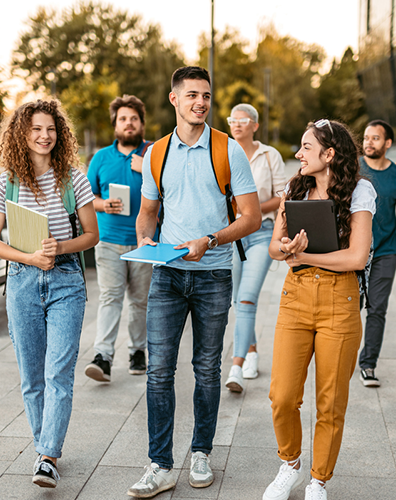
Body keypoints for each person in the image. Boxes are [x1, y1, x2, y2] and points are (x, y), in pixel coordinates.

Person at [126, 66, 260, 498]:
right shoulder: (156, 154)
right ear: (174, 100)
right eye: (192, 95)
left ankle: (201, 452)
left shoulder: (227, 150)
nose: (200, 102)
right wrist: (145, 238)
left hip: (214, 275)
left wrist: (211, 239)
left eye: (205, 95)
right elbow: (148, 211)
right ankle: (160, 465)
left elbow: (251, 218)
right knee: (159, 371)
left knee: (206, 369)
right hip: (166, 275)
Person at [0, 99, 99, 489]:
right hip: (22, 282)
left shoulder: (73, 179)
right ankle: (42, 449)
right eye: (36, 129)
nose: (44, 136)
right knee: (32, 377)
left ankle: (48, 456)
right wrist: (29, 257)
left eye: (50, 129)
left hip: (66, 280)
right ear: (21, 134)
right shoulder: (7, 183)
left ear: (60, 134)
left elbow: (91, 235)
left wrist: (58, 249)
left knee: (58, 375)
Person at [263, 119, 375, 500]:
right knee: (281, 395)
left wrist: (304, 254)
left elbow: (357, 257)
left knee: (329, 401)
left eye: (306, 147)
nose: (298, 154)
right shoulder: (295, 187)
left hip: (339, 302)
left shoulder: (360, 191)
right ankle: (290, 464)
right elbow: (274, 247)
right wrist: (287, 250)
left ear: (329, 154)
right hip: (295, 298)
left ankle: (318, 480)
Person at [84, 95, 153, 383]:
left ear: (141, 124)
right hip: (109, 241)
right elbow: (85, 198)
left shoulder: (152, 155)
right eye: (123, 118)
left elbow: (170, 190)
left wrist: (146, 168)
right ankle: (103, 357)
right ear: (115, 124)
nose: (129, 124)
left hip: (144, 242)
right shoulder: (101, 158)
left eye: (134, 119)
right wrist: (103, 205)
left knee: (139, 302)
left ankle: (138, 351)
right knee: (111, 297)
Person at [224, 103, 286, 393]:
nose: (237, 125)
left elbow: (281, 196)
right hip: (233, 235)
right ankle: (251, 351)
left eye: (243, 120)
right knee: (237, 298)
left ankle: (235, 366)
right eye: (232, 120)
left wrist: (252, 210)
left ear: (255, 126)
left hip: (261, 233)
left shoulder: (269, 155)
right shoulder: (223, 151)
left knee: (247, 298)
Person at [358, 119, 396, 387]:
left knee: (377, 309)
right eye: (366, 138)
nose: (369, 142)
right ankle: (343, 357)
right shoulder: (353, 168)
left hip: (386, 252)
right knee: (350, 307)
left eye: (376, 138)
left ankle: (368, 364)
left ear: (388, 144)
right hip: (353, 251)